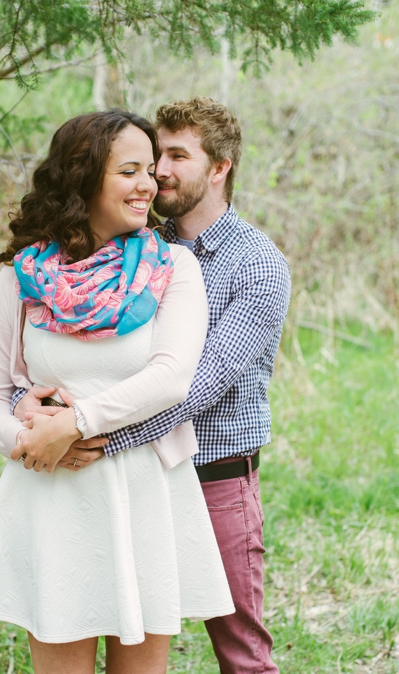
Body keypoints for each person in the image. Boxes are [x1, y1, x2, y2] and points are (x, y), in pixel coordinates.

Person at [0, 109, 234, 674]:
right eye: (129, 171)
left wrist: (75, 424)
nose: (148, 185)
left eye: (149, 171)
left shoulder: (173, 267)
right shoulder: (20, 278)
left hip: (145, 490)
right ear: (83, 177)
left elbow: (171, 378)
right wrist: (26, 438)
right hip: (53, 492)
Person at [15, 97, 291, 673]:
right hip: (130, 482)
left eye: (177, 156)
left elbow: (196, 385)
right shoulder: (132, 244)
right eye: (153, 155)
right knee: (110, 616)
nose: (159, 170)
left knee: (240, 647)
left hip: (215, 476)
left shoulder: (256, 264)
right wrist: (29, 405)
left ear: (220, 168)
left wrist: (86, 435)